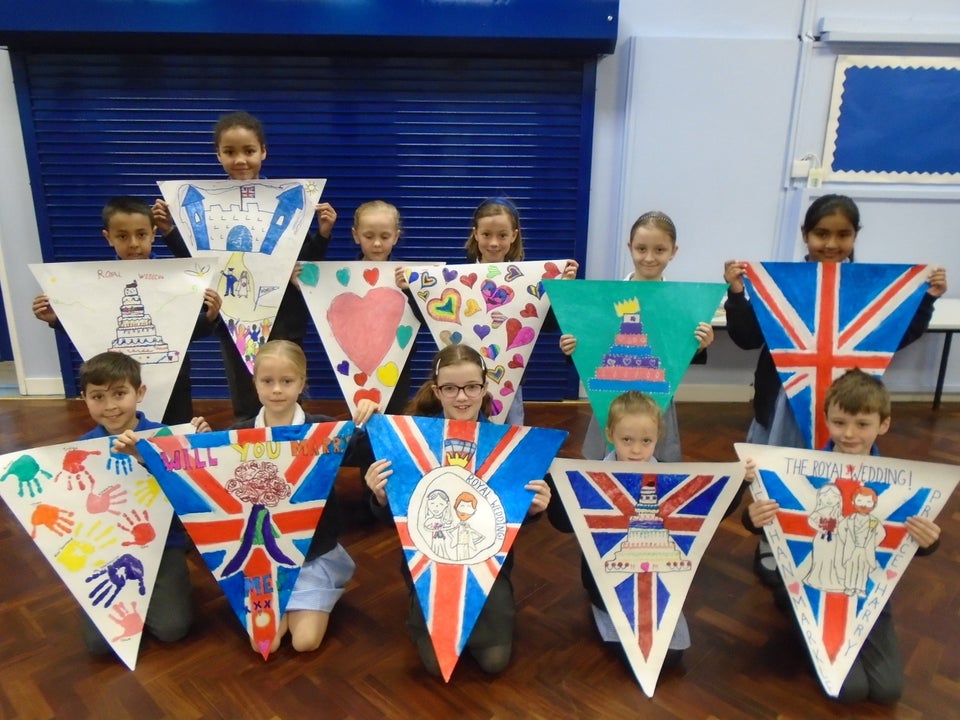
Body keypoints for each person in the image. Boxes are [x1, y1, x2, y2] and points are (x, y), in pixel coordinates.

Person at [724, 194, 947, 584]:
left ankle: (830, 543)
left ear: (855, 236)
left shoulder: (871, 288)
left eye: (842, 234)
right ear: (805, 235)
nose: (831, 243)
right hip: (786, 402)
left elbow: (896, 336)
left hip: (848, 408)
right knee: (779, 471)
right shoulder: (780, 285)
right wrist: (738, 294)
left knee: (841, 478)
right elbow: (744, 338)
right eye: (821, 234)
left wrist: (926, 299)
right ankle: (772, 539)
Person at [743, 368, 941, 705]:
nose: (849, 434)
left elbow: (903, 539)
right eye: (839, 423)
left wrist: (929, 541)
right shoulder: (797, 469)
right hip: (813, 588)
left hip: (867, 590)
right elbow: (767, 520)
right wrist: (752, 517)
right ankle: (795, 612)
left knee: (888, 690)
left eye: (862, 424)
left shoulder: (900, 483)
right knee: (850, 691)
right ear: (826, 420)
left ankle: (806, 616)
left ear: (884, 424)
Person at [364, 343, 552, 676]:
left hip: (486, 563)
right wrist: (379, 497)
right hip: (430, 563)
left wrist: (536, 509)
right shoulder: (411, 441)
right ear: (437, 391)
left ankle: (491, 609)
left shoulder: (509, 445)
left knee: (494, 663)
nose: (462, 397)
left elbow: (513, 514)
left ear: (483, 388)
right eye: (450, 388)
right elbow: (393, 516)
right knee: (437, 668)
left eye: (471, 387)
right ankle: (422, 607)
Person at [151, 111, 338, 422]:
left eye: (249, 151)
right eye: (230, 152)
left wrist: (323, 234)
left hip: (283, 313)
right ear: (218, 154)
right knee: (245, 391)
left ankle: (292, 453)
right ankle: (249, 453)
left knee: (286, 384)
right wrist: (170, 231)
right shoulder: (204, 204)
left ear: (263, 151)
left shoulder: (292, 200)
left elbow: (306, 263)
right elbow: (198, 263)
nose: (240, 160)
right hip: (232, 313)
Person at [547, 390, 747, 671]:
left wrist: (741, 482)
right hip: (605, 578)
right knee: (630, 655)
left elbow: (708, 507)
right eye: (626, 440)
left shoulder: (670, 478)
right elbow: (563, 522)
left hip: (658, 582)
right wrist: (552, 492)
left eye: (646, 441)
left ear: (658, 438)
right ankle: (599, 609)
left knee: (672, 655)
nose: (636, 450)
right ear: (610, 434)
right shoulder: (590, 478)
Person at [227, 339, 378, 654]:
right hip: (264, 562)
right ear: (254, 383)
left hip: (314, 554)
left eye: (287, 381)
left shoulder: (322, 429)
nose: (277, 390)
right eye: (267, 381)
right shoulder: (238, 434)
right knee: (263, 644)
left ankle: (321, 595)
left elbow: (367, 449)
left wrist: (372, 419)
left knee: (305, 642)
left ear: (301, 384)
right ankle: (285, 603)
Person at [32, 196, 221, 426]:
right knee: (119, 432)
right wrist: (56, 319)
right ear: (108, 237)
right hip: (115, 383)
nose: (133, 243)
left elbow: (185, 332)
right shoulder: (96, 284)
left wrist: (210, 317)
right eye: (122, 236)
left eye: (141, 235)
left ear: (153, 233)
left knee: (174, 434)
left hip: (173, 378)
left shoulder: (179, 278)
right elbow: (89, 329)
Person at [77, 351, 210, 654]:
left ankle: (154, 592)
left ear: (140, 393)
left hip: (163, 544)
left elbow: (194, 490)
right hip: (106, 550)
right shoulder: (83, 448)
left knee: (172, 629)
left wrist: (200, 444)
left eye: (120, 394)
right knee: (98, 646)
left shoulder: (166, 436)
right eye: (98, 397)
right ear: (84, 398)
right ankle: (133, 595)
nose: (110, 407)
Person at [559, 210, 714, 462]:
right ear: (630, 247)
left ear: (673, 251)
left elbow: (676, 353)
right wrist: (572, 347)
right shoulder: (608, 299)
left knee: (656, 467)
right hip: (611, 398)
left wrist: (699, 345)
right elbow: (593, 344)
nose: (649, 258)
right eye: (641, 249)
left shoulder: (680, 302)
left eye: (660, 250)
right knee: (604, 467)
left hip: (657, 397)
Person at [464, 197, 578, 425]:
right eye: (487, 234)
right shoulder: (458, 279)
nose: (494, 243)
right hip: (465, 383)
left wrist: (562, 290)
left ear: (514, 235)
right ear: (475, 234)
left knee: (510, 441)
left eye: (503, 235)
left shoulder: (529, 281)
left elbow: (547, 325)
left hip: (510, 381)